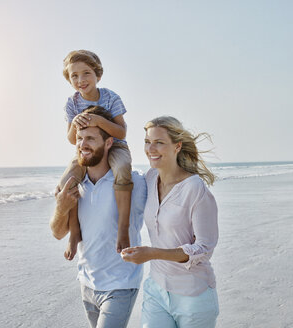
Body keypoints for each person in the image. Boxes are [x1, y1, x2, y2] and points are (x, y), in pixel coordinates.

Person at [50, 106, 146, 328]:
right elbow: (56, 233)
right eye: (80, 138)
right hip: (87, 284)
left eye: (91, 138)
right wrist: (61, 207)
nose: (83, 144)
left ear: (109, 143)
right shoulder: (74, 185)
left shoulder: (135, 182)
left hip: (120, 284)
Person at [121, 116, 219, 328]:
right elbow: (117, 181)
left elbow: (204, 248)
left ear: (177, 146)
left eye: (159, 142)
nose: (151, 148)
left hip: (193, 294)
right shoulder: (149, 178)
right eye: (148, 142)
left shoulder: (195, 189)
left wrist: (152, 253)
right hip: (156, 289)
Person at [59, 50, 133, 260]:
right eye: (74, 75)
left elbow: (121, 132)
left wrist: (99, 121)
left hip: (116, 146)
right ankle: (74, 233)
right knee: (68, 182)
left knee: (122, 170)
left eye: (86, 73)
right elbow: (72, 139)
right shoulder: (72, 103)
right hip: (85, 149)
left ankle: (123, 228)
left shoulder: (111, 97)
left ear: (97, 75)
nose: (80, 80)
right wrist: (75, 123)